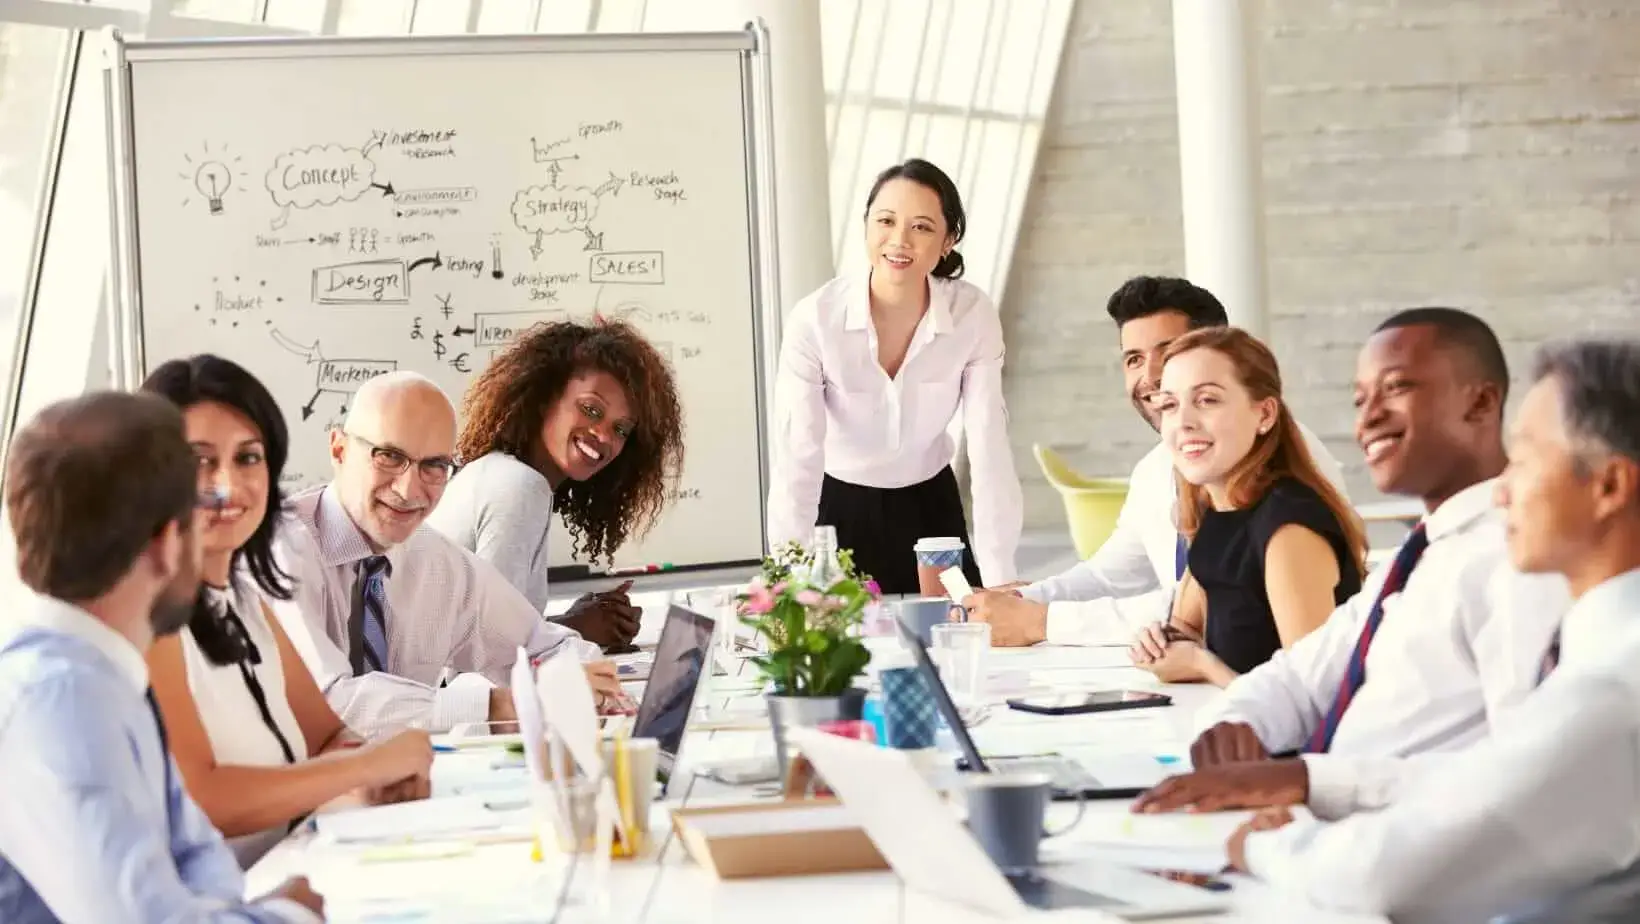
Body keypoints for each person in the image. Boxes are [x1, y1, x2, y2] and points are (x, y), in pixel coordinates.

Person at [1219, 339, 1640, 922]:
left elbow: (1391, 877)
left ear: (1610, 488)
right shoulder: (1601, 664)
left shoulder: (1611, 691)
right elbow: (1502, 777)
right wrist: (1311, 782)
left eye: (1523, 459)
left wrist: (1264, 844)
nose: (1502, 489)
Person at [1131, 307, 1569, 823]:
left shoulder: (1517, 561)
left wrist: (1306, 781)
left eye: (1397, 388)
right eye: (1361, 399)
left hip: (1396, 848)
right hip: (1320, 823)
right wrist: (1237, 723)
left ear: (1482, 401)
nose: (1368, 418)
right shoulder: (1415, 560)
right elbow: (1300, 675)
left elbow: (1525, 773)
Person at [0, 391, 325, 922]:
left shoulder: (103, 675)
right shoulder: (61, 701)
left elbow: (199, 868)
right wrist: (292, 914)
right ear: (170, 540)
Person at [142, 355, 435, 868]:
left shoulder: (243, 596)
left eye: (248, 457)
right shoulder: (146, 617)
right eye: (199, 460)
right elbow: (204, 801)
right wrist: (364, 768)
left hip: (293, 871)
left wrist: (372, 774)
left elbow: (326, 733)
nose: (228, 485)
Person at [962, 276, 1348, 647]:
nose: (1151, 377)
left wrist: (1043, 622)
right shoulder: (1158, 469)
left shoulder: (1285, 482)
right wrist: (1019, 601)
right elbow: (1113, 576)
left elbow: (1226, 607)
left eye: (1169, 353)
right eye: (1133, 359)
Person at [268, 371, 624, 738]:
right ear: (339, 450)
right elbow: (324, 702)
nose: (408, 490)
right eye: (389, 456)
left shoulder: (435, 561)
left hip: (407, 783)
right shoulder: (279, 552)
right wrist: (501, 705)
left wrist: (584, 682)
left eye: (433, 466)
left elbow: (543, 642)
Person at [765, 157, 1022, 593]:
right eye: (886, 221)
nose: (899, 240)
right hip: (838, 508)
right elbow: (798, 457)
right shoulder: (816, 319)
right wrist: (788, 578)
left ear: (948, 239)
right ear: (866, 225)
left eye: (921, 227)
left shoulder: (972, 315)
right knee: (838, 649)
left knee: (961, 631)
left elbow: (988, 444)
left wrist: (1001, 578)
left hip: (931, 508)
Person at [427, 317, 685, 651]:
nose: (604, 436)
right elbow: (491, 652)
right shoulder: (518, 485)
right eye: (591, 409)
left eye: (621, 429)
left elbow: (491, 632)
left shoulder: (505, 475)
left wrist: (575, 621)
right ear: (544, 397)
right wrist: (580, 628)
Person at [1128, 327, 1366, 686]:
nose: (1184, 422)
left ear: (1265, 414)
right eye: (1170, 405)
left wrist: (1203, 666)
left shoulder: (1290, 529)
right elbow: (1185, 627)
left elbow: (1314, 696)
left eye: (1207, 400)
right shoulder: (1217, 510)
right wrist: (1159, 641)